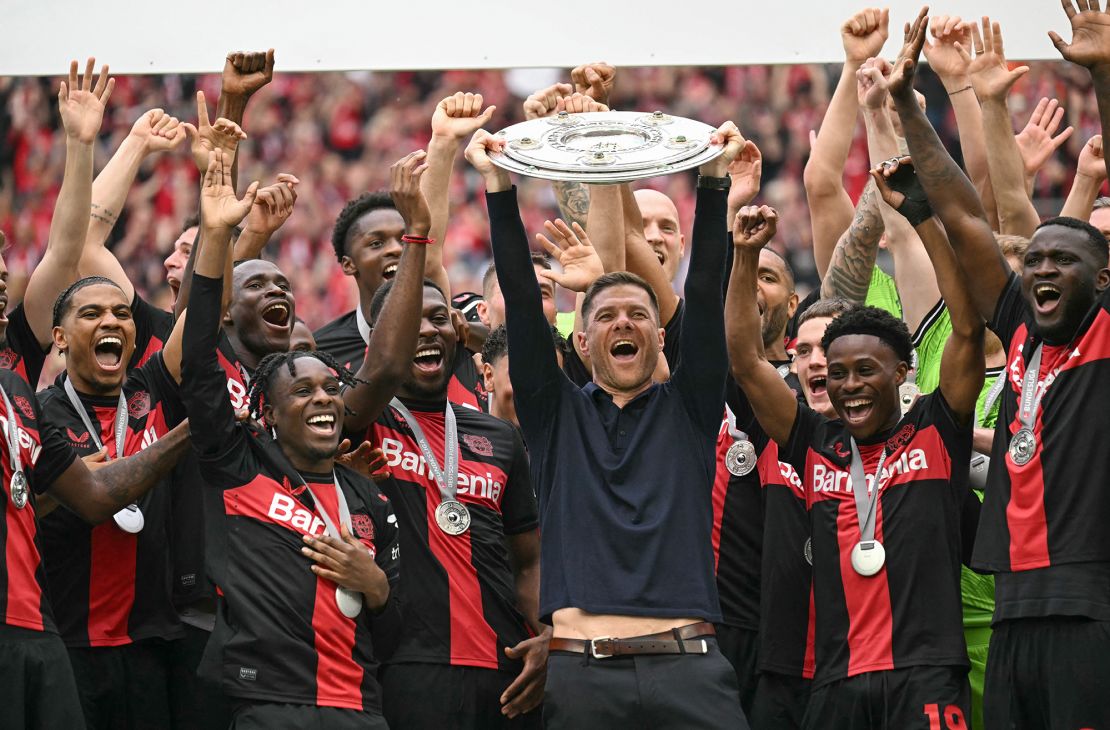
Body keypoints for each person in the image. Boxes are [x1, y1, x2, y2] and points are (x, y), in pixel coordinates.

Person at [469, 120, 751, 728]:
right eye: (607, 316)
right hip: (583, 676)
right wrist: (497, 186)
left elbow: (703, 297)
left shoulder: (692, 409)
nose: (624, 324)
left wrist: (713, 181)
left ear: (657, 334)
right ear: (584, 339)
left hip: (689, 669)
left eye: (639, 315)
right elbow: (521, 301)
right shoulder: (553, 416)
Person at [889, 4, 1110, 725]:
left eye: (1062, 261)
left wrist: (1103, 73)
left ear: (1102, 279)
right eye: (1035, 259)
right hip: (1014, 605)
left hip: (1090, 608)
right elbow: (963, 217)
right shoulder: (1019, 329)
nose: (1040, 269)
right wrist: (908, 111)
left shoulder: (1106, 334)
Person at [179, 148, 410, 729]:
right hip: (269, 708)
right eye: (302, 393)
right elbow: (198, 359)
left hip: (362, 709)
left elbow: (398, 627)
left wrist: (376, 586)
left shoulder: (370, 502)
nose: (324, 400)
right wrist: (216, 236)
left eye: (330, 389)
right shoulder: (239, 466)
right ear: (268, 415)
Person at [37, 274, 189, 729]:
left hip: (152, 643)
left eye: (122, 313)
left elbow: (198, 318)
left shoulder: (154, 388)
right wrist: (69, 490)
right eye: (92, 313)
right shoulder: (39, 412)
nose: (111, 320)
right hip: (68, 642)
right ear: (60, 338)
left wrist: (222, 233)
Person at [315, 92, 494, 411]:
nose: (396, 250)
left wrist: (443, 144)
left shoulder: (453, 329)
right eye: (376, 243)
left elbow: (428, 250)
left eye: (404, 238)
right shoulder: (322, 349)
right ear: (348, 264)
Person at [480, 324, 569, 427]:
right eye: (523, 376)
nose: (538, 391)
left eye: (551, 380)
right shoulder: (460, 439)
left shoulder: (573, 439)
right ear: (489, 376)